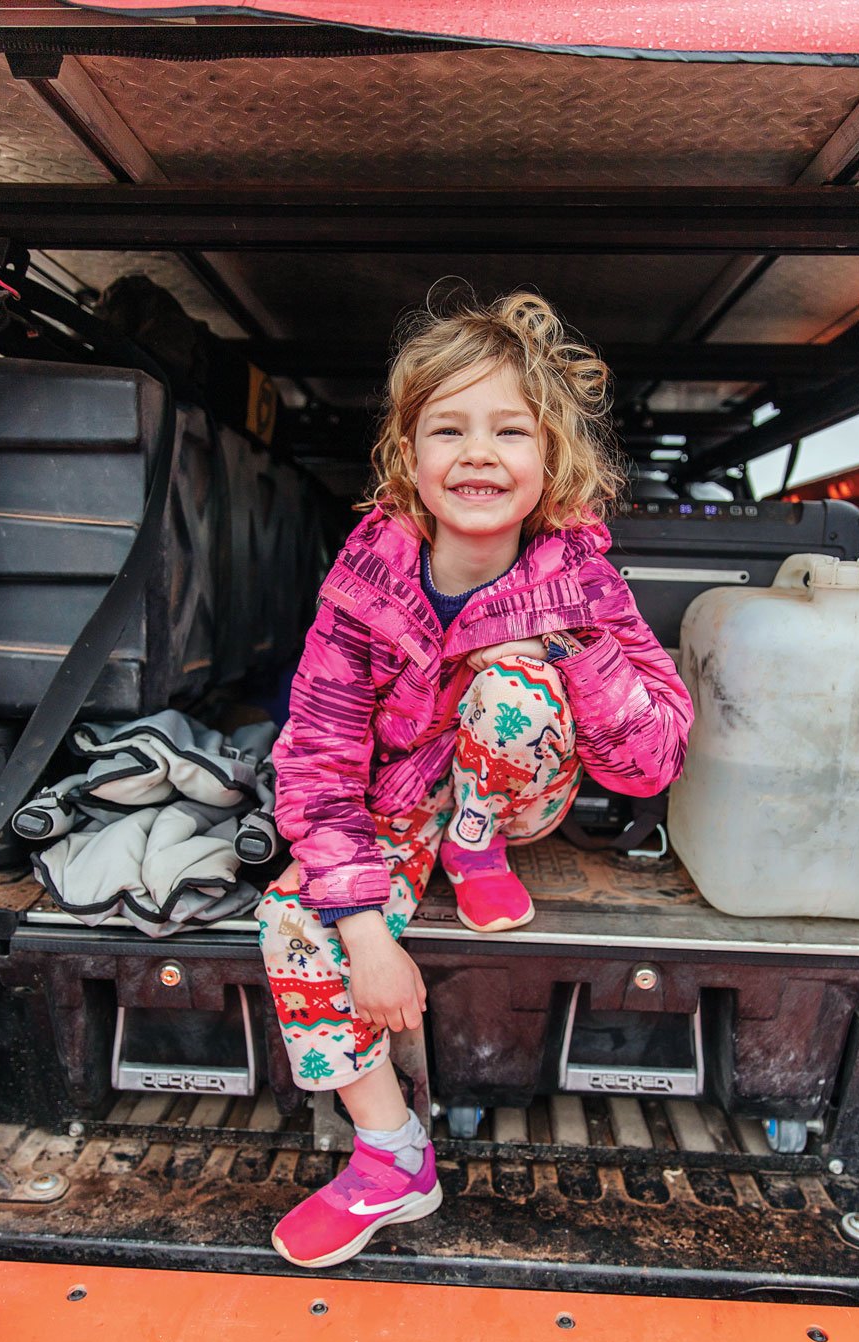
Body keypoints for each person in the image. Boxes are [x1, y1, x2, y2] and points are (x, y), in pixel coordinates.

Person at [257, 288, 693, 1268]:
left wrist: (567, 638)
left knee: (510, 684)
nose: (478, 452)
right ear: (408, 457)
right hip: (402, 802)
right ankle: (391, 1157)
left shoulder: (584, 582)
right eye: (447, 428)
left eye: (509, 430)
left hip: (512, 789)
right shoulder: (363, 585)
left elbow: (647, 761)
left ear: (549, 462)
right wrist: (365, 934)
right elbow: (317, 756)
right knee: (293, 916)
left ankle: (477, 842)